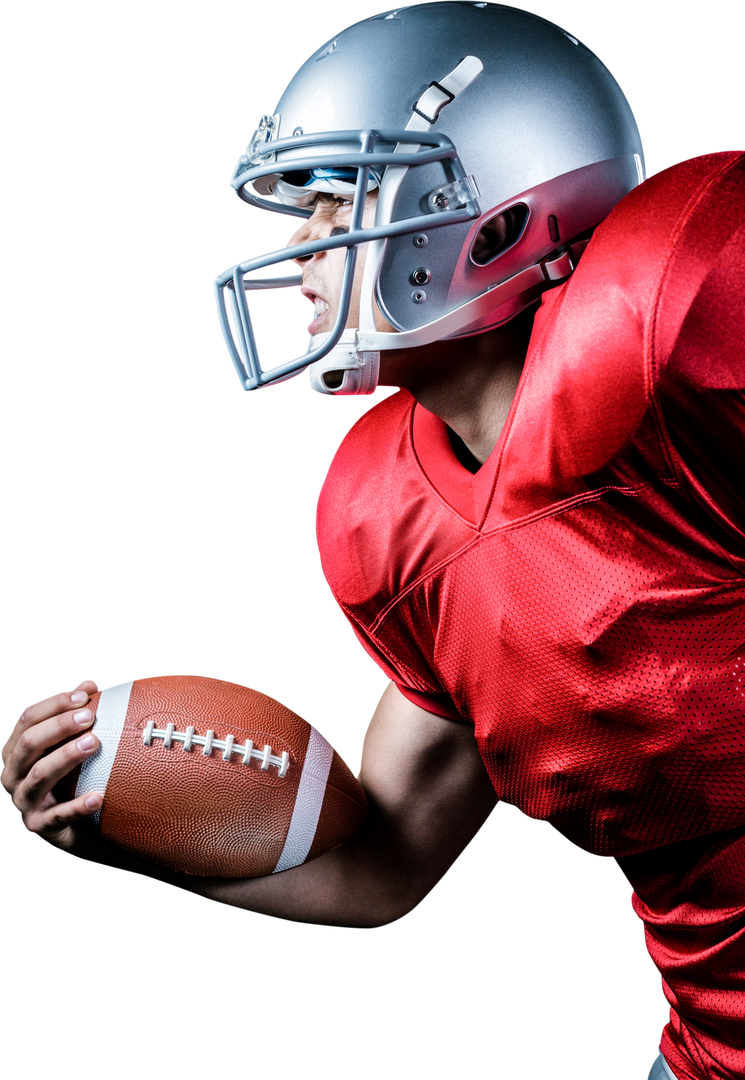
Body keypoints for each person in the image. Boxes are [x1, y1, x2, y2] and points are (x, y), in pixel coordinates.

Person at [3, 5, 742, 1078]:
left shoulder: (681, 317)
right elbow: (383, 866)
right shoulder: (387, 517)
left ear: (495, 223)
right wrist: (119, 814)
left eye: (335, 203)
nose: (297, 247)